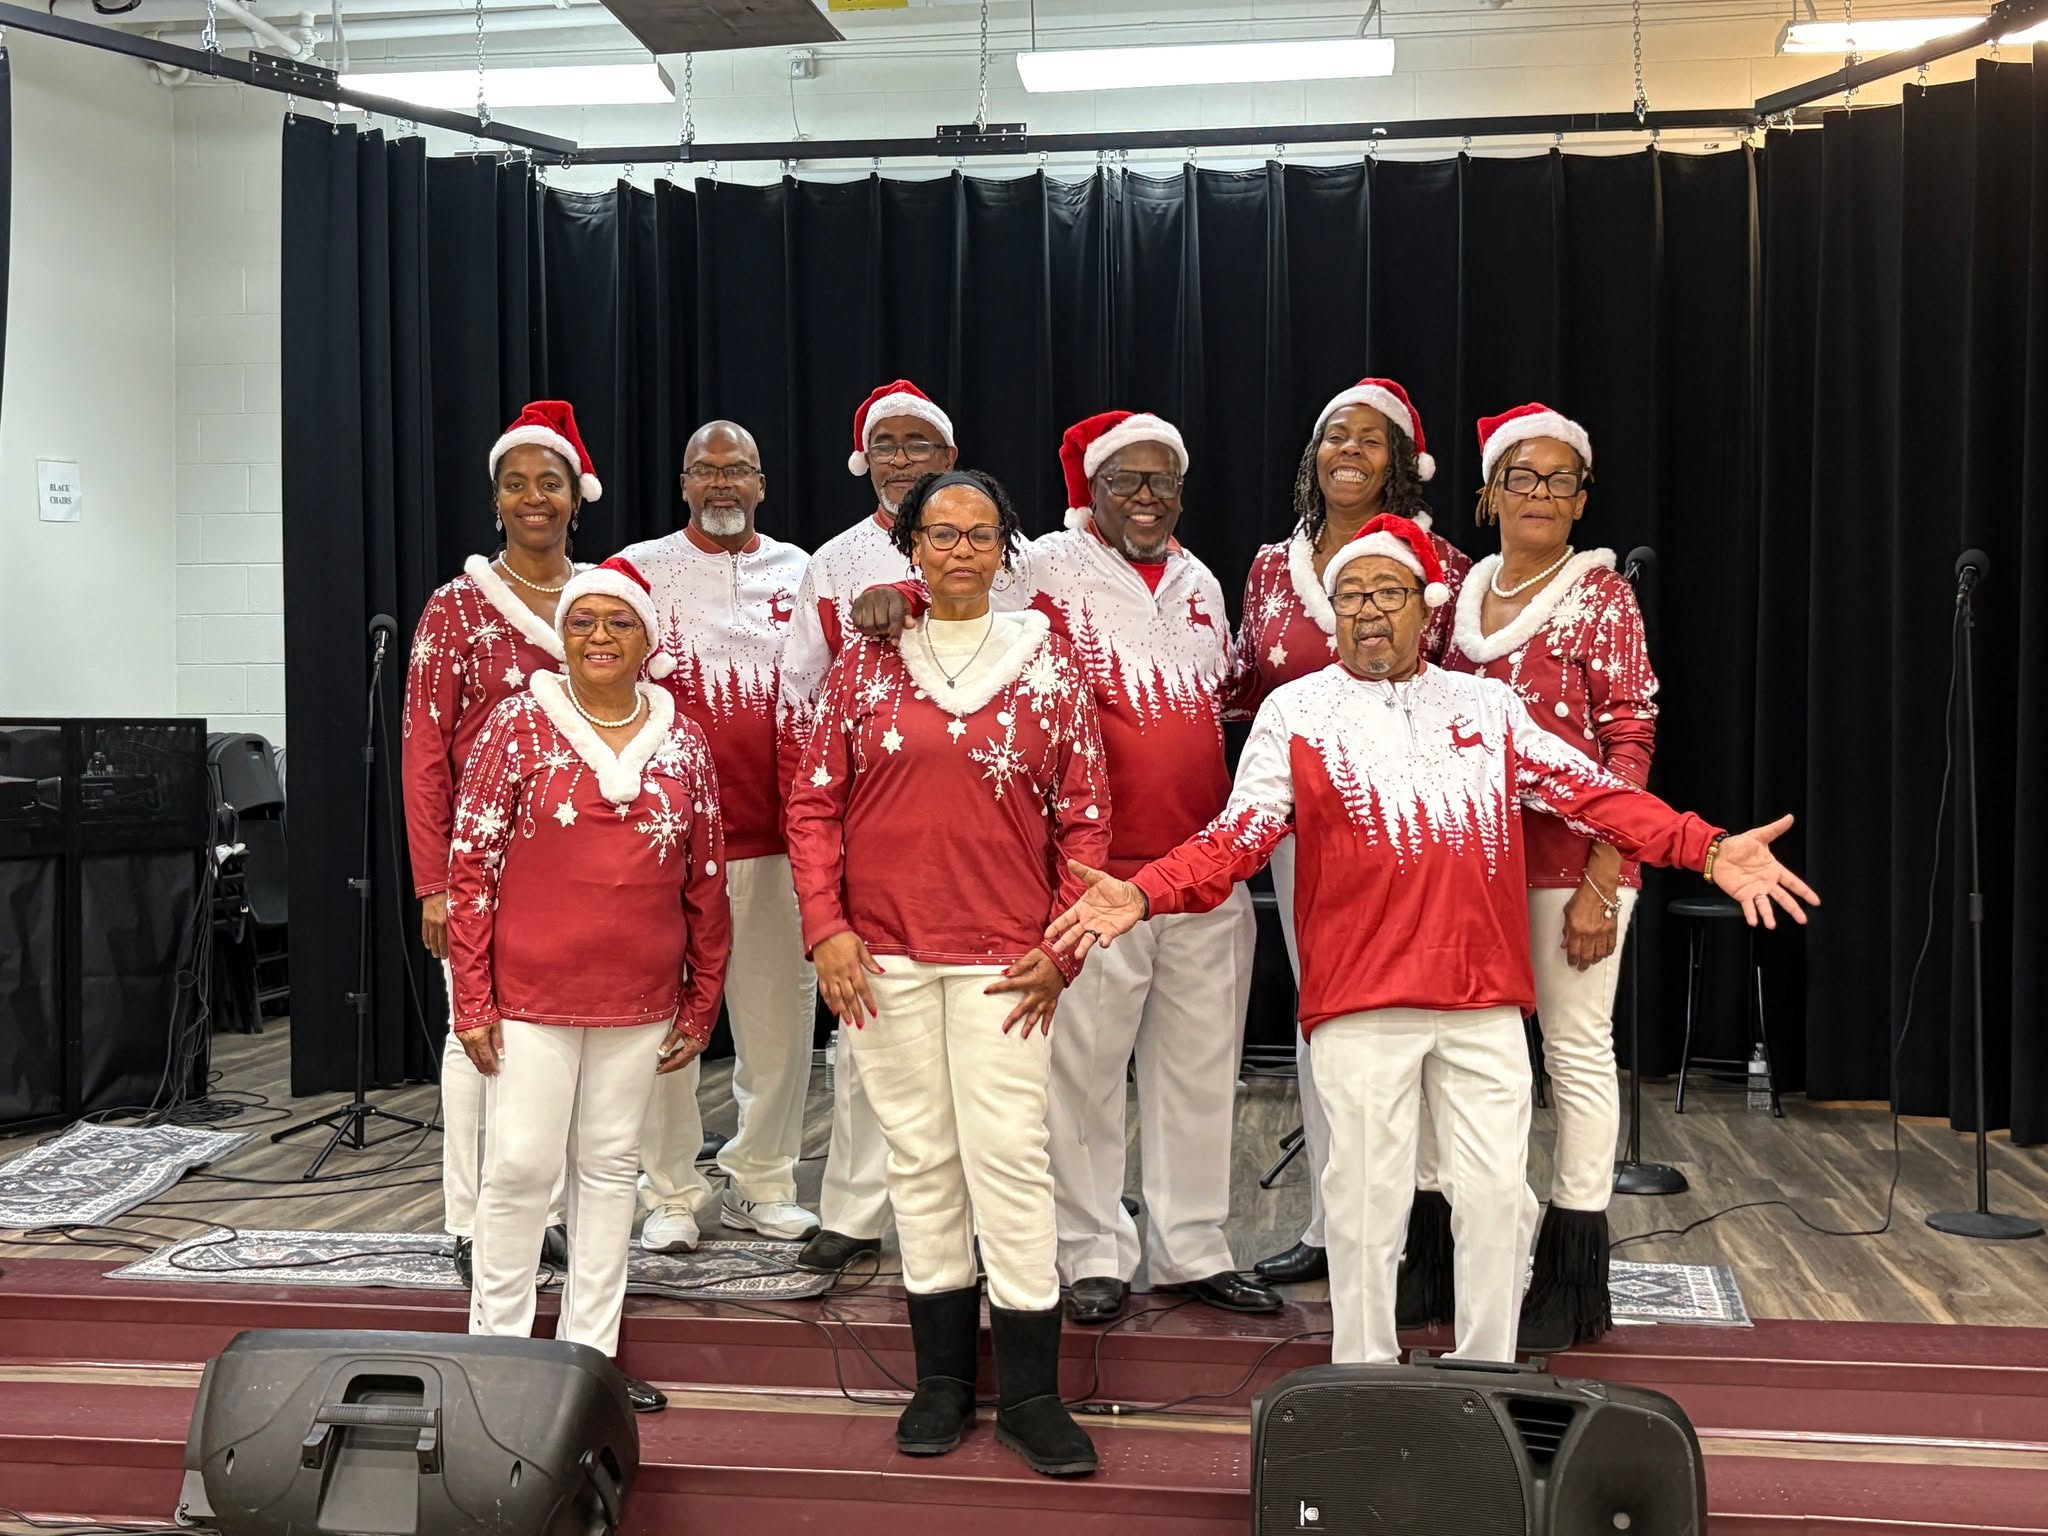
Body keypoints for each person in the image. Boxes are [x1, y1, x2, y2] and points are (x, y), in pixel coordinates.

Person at [1045, 514, 1818, 1367]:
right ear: (1332, 612)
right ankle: (1365, 1375)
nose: (1370, 611)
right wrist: (1146, 892)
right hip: (1359, 1002)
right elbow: (1237, 837)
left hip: (1482, 999)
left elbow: (1597, 796)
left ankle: (1485, 1373)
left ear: (1427, 607)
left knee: (1495, 1199)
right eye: (1351, 596)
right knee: (1368, 1203)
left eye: (1389, 592)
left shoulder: (1489, 708)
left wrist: (1706, 848)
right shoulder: (1294, 714)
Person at [853, 411, 1279, 1324]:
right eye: (1124, 480)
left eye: (1163, 479)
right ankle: (1088, 1249)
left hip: (1202, 870)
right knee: (1081, 1076)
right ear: (1090, 486)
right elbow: (952, 589)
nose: (1147, 497)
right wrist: (891, 597)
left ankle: (1191, 1246)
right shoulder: (1041, 561)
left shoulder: (1202, 577)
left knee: (1202, 1071)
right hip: (1089, 879)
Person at [784, 469, 1108, 1477]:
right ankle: (939, 1383)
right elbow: (812, 807)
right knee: (918, 1160)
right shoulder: (866, 661)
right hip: (877, 957)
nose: (959, 550)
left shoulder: (1044, 664)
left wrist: (1061, 948)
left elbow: (1086, 815)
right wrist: (825, 931)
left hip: (1004, 962)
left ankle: (1031, 1395)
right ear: (911, 548)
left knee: (1008, 1159)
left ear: (1003, 549)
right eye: (940, 533)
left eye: (978, 535)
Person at [448, 555, 731, 1414]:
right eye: (582, 621)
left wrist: (702, 993)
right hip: (528, 996)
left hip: (639, 998)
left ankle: (589, 1357)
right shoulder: (514, 729)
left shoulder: (683, 739)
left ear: (648, 638)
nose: (600, 636)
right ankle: (494, 1355)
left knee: (610, 1172)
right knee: (523, 1168)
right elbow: (471, 869)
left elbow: (707, 877)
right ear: (560, 636)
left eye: (618, 623)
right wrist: (472, 996)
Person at [1409, 402, 1654, 1349]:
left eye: (1559, 480)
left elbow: (1629, 738)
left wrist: (1606, 872)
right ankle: (1438, 1256)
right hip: (1467, 865)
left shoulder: (1602, 598)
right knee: (1450, 1056)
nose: (1540, 494)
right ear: (1489, 495)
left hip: (1570, 866)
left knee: (1576, 1054)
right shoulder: (1459, 597)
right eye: (1523, 477)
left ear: (1582, 497)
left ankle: (1571, 1273)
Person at [1227, 377, 1473, 1290]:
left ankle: (1424, 1229)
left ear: (1399, 461)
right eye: (1334, 436)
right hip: (1306, 827)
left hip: (1412, 825)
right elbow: (1247, 686)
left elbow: (1444, 689)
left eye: (1370, 441)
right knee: (1324, 1015)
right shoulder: (1267, 565)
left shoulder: (1435, 556)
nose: (1349, 453)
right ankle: (1338, 1227)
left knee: (1418, 1020)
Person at [403, 399, 600, 1285]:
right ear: (495, 501)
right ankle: (470, 1217)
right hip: (482, 870)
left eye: (549, 483)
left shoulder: (603, 605)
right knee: (472, 1040)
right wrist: (434, 883)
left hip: (587, 872)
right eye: (516, 484)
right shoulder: (454, 611)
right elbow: (423, 755)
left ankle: (546, 1212)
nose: (534, 498)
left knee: (563, 1044)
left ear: (574, 496)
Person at [774, 378, 962, 1275]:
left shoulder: (1007, 550)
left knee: (980, 1037)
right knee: (867, 1030)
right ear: (865, 463)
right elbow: (801, 697)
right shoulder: (832, 564)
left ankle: (972, 1217)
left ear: (948, 459)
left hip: (979, 827)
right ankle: (852, 1211)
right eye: (885, 446)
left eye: (918, 444)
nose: (901, 461)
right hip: (874, 823)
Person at [621, 421, 818, 1252]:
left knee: (777, 1024)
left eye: (739, 469)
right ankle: (668, 1191)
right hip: (667, 845)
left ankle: (761, 1181)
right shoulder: (635, 570)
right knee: (661, 1022)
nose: (723, 483)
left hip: (777, 843)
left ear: (763, 484)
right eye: (707, 470)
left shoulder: (803, 573)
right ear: (683, 484)